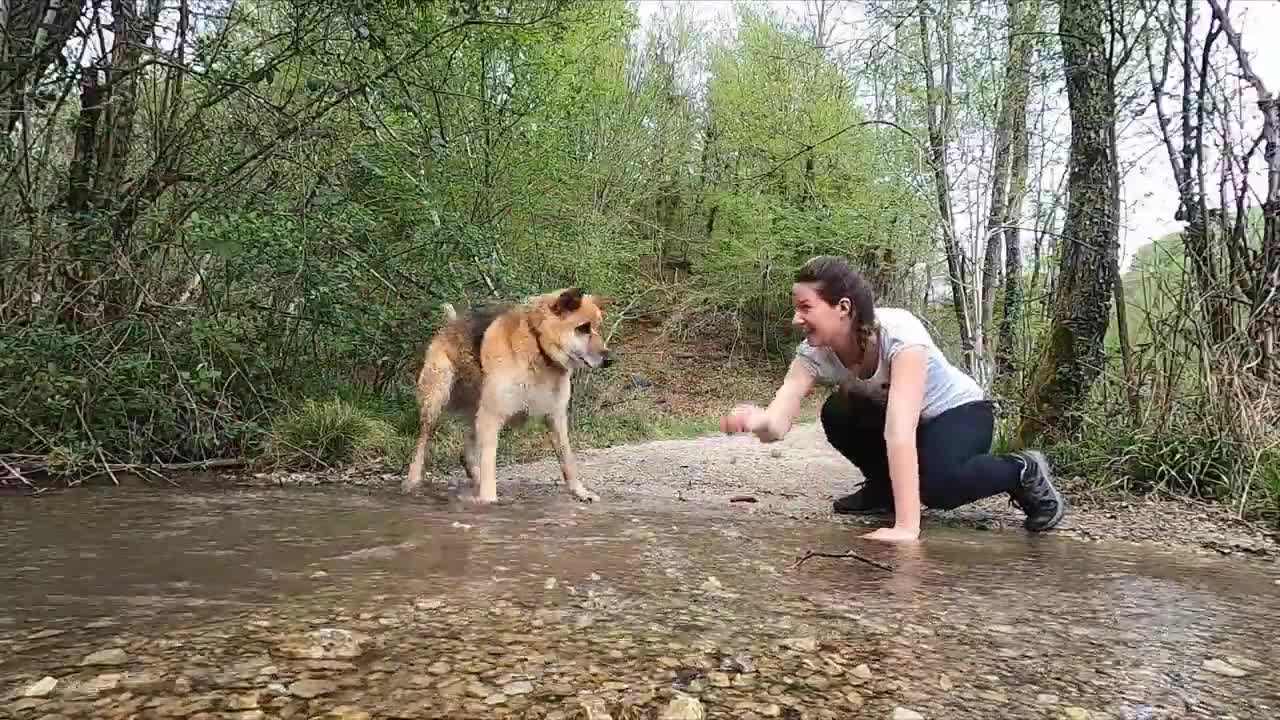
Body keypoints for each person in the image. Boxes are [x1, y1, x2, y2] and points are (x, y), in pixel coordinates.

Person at [719, 255, 1066, 543]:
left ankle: (1021, 470)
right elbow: (778, 425)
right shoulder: (813, 353)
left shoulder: (900, 333)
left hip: (960, 413)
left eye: (805, 307)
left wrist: (906, 528)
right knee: (838, 412)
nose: (796, 319)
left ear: (842, 307)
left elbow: (899, 432)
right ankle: (885, 489)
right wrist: (756, 421)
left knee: (937, 489)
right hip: (910, 426)